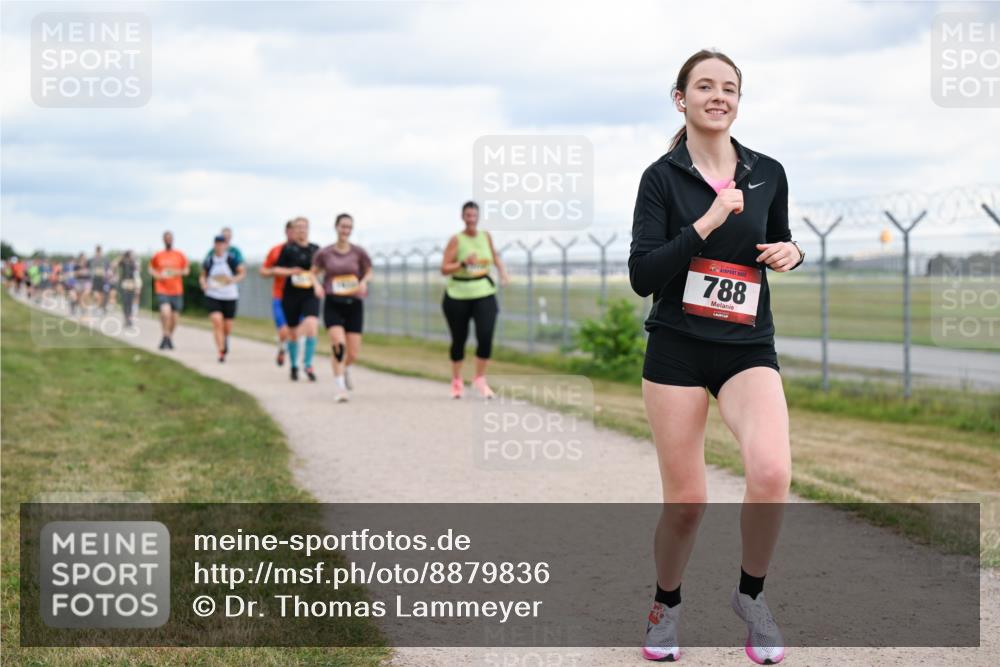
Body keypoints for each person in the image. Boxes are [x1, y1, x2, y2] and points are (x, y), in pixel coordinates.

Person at [630, 50, 804, 665]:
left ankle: (751, 597)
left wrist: (792, 253)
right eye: (704, 86)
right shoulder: (661, 178)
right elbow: (642, 274)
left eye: (729, 87)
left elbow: (778, 236)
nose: (718, 96)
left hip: (746, 347)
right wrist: (705, 221)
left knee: (771, 473)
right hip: (676, 349)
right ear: (681, 98)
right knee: (687, 502)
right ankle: (665, 604)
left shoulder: (768, 170)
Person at [439, 200, 510, 399]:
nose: (471, 219)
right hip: (457, 295)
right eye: (468, 215)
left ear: (478, 217)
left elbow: (494, 257)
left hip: (484, 292)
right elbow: (444, 269)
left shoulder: (486, 236)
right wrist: (462, 263)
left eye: (474, 215)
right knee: (459, 339)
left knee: (486, 336)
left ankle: (479, 378)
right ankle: (456, 381)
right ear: (463, 217)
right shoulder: (456, 240)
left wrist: (503, 272)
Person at [313, 213, 374, 402]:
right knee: (338, 345)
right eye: (343, 226)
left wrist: (363, 282)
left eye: (349, 227)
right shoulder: (325, 253)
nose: (345, 230)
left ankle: (346, 368)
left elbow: (369, 271)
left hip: (354, 303)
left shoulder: (359, 252)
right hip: (333, 302)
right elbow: (313, 272)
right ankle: (340, 388)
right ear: (336, 227)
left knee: (353, 352)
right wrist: (316, 285)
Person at [272, 217, 321, 381]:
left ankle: (308, 363)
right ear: (294, 230)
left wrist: (315, 280)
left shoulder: (315, 249)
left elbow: (322, 269)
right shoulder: (288, 249)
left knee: (312, 324)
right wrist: (292, 272)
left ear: (308, 229)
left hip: (309, 293)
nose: (301, 230)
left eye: (304, 227)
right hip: (291, 295)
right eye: (298, 227)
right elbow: (276, 269)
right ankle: (294, 365)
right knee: (293, 333)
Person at [200, 235, 246, 362]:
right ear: (214, 245)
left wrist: (232, 280)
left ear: (226, 245)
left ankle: (225, 339)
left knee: (227, 325)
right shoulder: (209, 260)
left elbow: (242, 272)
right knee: (216, 321)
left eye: (222, 244)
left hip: (229, 295)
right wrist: (203, 284)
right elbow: (203, 275)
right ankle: (220, 351)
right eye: (217, 244)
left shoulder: (231, 259)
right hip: (213, 294)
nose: (219, 246)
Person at [260, 220, 296, 366]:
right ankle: (282, 348)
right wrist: (276, 271)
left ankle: (296, 365)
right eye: (292, 230)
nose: (296, 233)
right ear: (286, 232)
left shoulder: (308, 250)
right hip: (279, 296)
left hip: (299, 297)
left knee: (295, 333)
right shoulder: (276, 250)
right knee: (283, 331)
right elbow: (263, 271)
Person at [149, 231, 190, 350]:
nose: (168, 240)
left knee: (175, 318)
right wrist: (157, 275)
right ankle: (165, 336)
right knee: (165, 312)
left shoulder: (179, 254)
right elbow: (150, 268)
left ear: (173, 240)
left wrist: (176, 272)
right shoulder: (158, 255)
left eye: (170, 238)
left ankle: (167, 338)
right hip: (162, 288)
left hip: (176, 290)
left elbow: (186, 270)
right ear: (163, 240)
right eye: (166, 238)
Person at [115, 250, 141, 328]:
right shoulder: (123, 262)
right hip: (125, 283)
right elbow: (115, 264)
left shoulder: (133, 263)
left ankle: (129, 319)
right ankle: (126, 318)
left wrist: (134, 260)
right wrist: (121, 257)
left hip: (131, 283)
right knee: (125, 301)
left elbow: (138, 270)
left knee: (130, 301)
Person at [90, 245, 111, 314]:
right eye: (97, 251)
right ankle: (97, 306)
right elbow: (91, 269)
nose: (98, 252)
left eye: (99, 251)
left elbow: (108, 268)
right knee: (96, 294)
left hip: (103, 279)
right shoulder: (93, 259)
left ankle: (100, 308)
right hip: (96, 278)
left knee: (102, 294)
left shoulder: (105, 259)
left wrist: (108, 275)